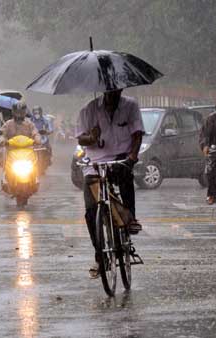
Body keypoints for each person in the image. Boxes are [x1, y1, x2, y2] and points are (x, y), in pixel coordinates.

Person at [76, 89, 144, 279]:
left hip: (120, 159)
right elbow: (81, 138)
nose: (111, 95)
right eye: (108, 91)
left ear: (120, 90)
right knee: (90, 210)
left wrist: (132, 157)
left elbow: (138, 134)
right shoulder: (88, 110)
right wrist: (91, 138)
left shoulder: (130, 106)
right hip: (95, 163)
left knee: (125, 178)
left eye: (115, 90)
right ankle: (100, 257)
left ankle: (130, 219)